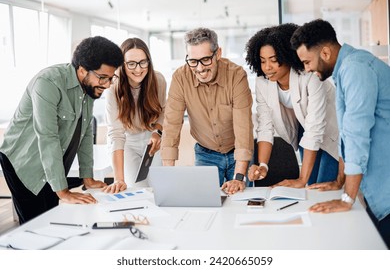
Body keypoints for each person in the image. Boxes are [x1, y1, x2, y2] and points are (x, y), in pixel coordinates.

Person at [0, 36, 123, 224]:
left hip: (51, 162)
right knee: (35, 225)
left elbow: (85, 133)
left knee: (51, 220)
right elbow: (47, 137)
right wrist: (63, 192)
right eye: (102, 77)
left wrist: (87, 178)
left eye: (111, 78)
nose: (107, 85)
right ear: (82, 70)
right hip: (24, 162)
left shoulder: (88, 89)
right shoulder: (48, 82)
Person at [290, 18, 390, 248]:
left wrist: (347, 198)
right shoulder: (346, 70)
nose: (306, 69)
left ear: (325, 52)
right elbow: (346, 133)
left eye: (307, 62)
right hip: (379, 191)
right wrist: (339, 181)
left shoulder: (355, 69)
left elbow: (357, 134)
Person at [245, 23, 341, 188]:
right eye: (262, 61)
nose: (267, 67)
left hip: (331, 131)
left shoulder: (310, 76)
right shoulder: (263, 83)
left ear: (288, 56)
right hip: (304, 130)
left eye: (274, 60)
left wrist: (301, 180)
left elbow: (315, 128)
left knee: (323, 186)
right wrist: (263, 166)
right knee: (311, 185)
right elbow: (265, 127)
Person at [160, 27, 254, 194]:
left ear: (218, 53)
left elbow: (243, 126)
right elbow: (171, 125)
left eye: (205, 60)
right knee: (204, 203)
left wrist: (239, 177)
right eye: (193, 61)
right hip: (206, 154)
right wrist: (168, 174)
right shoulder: (180, 78)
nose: (200, 68)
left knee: (241, 204)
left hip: (238, 153)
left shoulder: (236, 75)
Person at [103, 38, 166, 193]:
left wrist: (157, 132)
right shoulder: (112, 88)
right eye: (131, 63)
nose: (138, 69)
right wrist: (119, 179)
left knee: (158, 190)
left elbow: (163, 111)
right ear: (122, 65)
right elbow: (116, 134)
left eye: (143, 62)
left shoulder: (158, 80)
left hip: (150, 140)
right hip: (126, 141)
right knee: (136, 190)